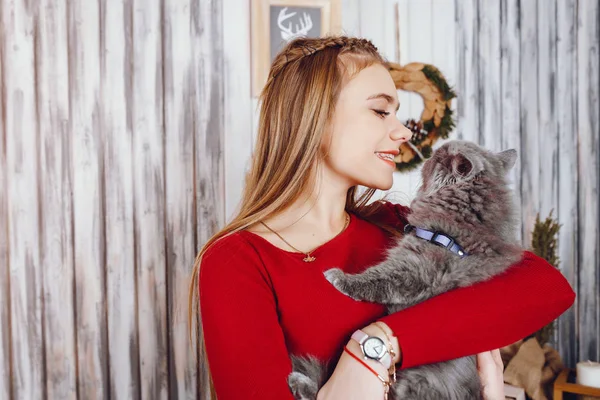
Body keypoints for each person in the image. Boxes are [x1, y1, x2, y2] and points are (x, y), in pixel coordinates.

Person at [189, 35, 575, 400]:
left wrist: (375, 348)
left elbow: (544, 286)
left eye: (397, 114)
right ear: (315, 117)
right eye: (380, 111)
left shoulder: (397, 225)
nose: (403, 132)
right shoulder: (237, 261)